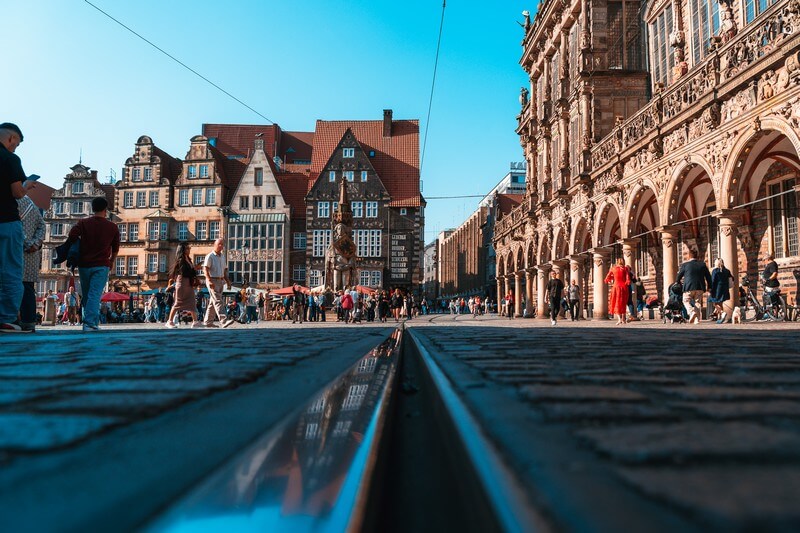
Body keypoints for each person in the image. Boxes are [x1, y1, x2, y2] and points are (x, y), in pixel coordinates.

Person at [65, 197, 120, 332]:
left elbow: (72, 235)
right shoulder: (112, 227)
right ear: (105, 210)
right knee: (94, 294)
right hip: (101, 264)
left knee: (87, 294)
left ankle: (89, 321)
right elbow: (116, 248)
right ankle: (89, 323)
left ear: (92, 208)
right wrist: (112, 261)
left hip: (84, 264)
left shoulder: (83, 223)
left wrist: (80, 244)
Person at [0, 123, 29, 332]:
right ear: (10, 139)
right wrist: (27, 187)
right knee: (10, 271)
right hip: (7, 220)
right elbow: (18, 192)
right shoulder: (10, 159)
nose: (15, 148)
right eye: (16, 144)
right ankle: (7, 318)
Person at [16, 181, 45, 332]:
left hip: (16, 251)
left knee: (12, 286)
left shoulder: (10, 202)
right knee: (28, 288)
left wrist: (27, 243)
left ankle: (13, 320)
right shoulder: (31, 203)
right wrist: (35, 243)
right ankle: (29, 321)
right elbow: (42, 225)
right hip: (31, 253)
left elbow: (14, 228)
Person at [165, 243, 202, 328]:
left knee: (192, 301)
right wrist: (195, 268)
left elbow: (190, 272)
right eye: (187, 248)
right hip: (182, 282)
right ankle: (169, 321)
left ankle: (195, 321)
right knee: (178, 302)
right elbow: (185, 272)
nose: (189, 250)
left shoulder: (188, 259)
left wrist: (195, 269)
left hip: (188, 282)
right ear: (183, 250)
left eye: (189, 248)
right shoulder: (181, 260)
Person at [676, 248, 712, 324]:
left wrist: (677, 282)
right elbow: (708, 276)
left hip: (688, 287)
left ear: (689, 256)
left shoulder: (685, 265)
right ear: (697, 256)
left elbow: (679, 275)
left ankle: (691, 312)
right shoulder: (702, 265)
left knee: (685, 301)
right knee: (697, 303)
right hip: (700, 287)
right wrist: (709, 287)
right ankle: (697, 320)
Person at [203, 238, 234, 328]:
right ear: (214, 245)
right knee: (218, 301)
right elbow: (205, 269)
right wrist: (208, 280)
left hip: (220, 281)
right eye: (219, 244)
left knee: (213, 302)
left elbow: (224, 270)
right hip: (212, 280)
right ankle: (223, 320)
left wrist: (227, 281)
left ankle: (208, 322)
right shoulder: (210, 256)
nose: (221, 246)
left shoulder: (222, 256)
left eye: (222, 244)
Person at [605, 257, 631, 325]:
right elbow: (628, 278)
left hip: (616, 287)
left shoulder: (613, 268)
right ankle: (623, 319)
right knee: (623, 303)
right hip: (624, 287)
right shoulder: (625, 269)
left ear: (617, 262)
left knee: (616, 303)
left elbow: (608, 277)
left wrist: (610, 281)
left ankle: (619, 319)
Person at [709, 257, 734, 324]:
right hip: (725, 289)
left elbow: (713, 281)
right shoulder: (727, 271)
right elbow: (732, 278)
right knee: (720, 303)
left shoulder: (715, 271)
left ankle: (723, 313)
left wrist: (710, 289)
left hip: (717, 289)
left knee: (714, 303)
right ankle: (720, 318)